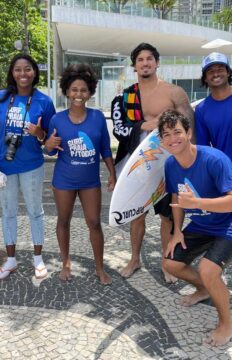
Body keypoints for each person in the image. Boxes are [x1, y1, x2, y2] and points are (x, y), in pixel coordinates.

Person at [111, 43, 194, 282]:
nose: (145, 63)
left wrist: (190, 162)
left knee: (167, 216)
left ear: (157, 63)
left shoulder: (174, 92)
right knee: (136, 213)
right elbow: (120, 130)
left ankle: (167, 263)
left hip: (167, 163)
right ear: (134, 66)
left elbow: (189, 127)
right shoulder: (127, 95)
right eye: (140, 60)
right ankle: (135, 258)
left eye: (149, 59)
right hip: (138, 163)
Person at [159, 109, 232, 347]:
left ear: (189, 133)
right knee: (170, 263)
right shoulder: (171, 165)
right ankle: (204, 289)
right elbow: (176, 197)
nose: (173, 138)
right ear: (162, 141)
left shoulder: (214, 159)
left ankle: (226, 324)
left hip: (227, 225)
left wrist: (197, 203)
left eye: (177, 131)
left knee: (209, 269)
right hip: (201, 225)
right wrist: (177, 231)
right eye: (167, 134)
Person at [45, 64, 116, 285]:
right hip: (64, 179)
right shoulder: (57, 119)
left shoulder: (97, 118)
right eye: (74, 90)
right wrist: (48, 144)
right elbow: (49, 150)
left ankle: (99, 267)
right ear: (66, 91)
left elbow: (105, 149)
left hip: (90, 181)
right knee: (63, 221)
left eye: (83, 90)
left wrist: (112, 174)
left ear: (90, 93)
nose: (78, 94)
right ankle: (65, 262)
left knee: (94, 222)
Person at [0, 54, 56, 280]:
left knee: (35, 211)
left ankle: (38, 259)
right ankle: (11, 260)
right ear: (12, 73)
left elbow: (48, 138)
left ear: (34, 72)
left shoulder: (44, 102)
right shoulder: (0, 99)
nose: (23, 74)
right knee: (8, 213)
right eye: (18, 69)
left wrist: (39, 133)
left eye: (28, 69)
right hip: (4, 166)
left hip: (32, 165)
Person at [195, 52, 232, 160]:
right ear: (205, 78)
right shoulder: (201, 110)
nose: (216, 74)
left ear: (228, 72)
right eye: (211, 71)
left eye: (220, 69)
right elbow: (203, 149)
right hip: (225, 171)